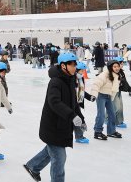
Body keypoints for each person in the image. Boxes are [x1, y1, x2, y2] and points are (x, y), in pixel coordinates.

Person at [24, 53, 83, 182]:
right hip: (53, 126)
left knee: (52, 151)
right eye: (72, 65)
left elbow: (74, 103)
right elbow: (54, 102)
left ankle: (32, 166)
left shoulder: (70, 80)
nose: (75, 67)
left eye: (75, 64)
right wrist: (71, 116)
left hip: (62, 125)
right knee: (59, 157)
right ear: (63, 66)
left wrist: (81, 119)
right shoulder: (56, 81)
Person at [90, 59, 123, 140]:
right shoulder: (105, 75)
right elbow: (96, 84)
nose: (117, 68)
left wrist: (112, 97)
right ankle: (97, 132)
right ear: (110, 67)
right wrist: (94, 95)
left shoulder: (117, 75)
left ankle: (111, 131)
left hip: (108, 96)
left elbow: (114, 89)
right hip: (101, 96)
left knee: (112, 114)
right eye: (114, 66)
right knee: (101, 115)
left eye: (118, 66)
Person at [74, 62, 92, 144]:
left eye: (83, 71)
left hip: (78, 102)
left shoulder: (81, 78)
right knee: (79, 119)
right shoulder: (72, 78)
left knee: (77, 119)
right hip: (71, 102)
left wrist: (89, 97)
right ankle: (79, 136)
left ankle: (79, 136)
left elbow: (81, 91)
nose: (83, 72)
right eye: (81, 71)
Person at [113, 57, 131, 128]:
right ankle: (115, 121)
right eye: (121, 64)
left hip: (118, 92)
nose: (122, 65)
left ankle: (119, 121)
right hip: (112, 93)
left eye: (122, 64)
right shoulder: (112, 73)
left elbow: (125, 82)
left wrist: (129, 89)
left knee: (120, 107)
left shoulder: (121, 72)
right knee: (117, 107)